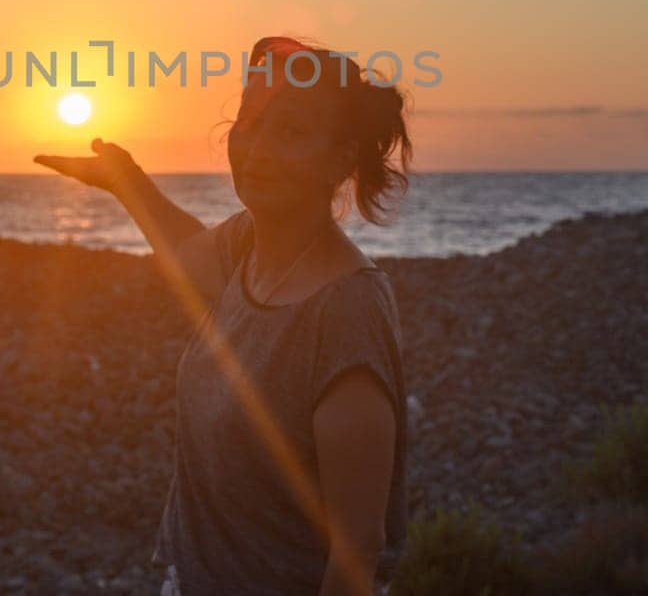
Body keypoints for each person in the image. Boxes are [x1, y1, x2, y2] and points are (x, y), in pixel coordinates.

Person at [34, 35, 412, 595]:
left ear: (340, 156)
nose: (256, 149)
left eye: (291, 131)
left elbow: (358, 548)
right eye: (249, 121)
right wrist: (125, 182)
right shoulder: (249, 247)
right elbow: (189, 257)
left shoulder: (346, 312)